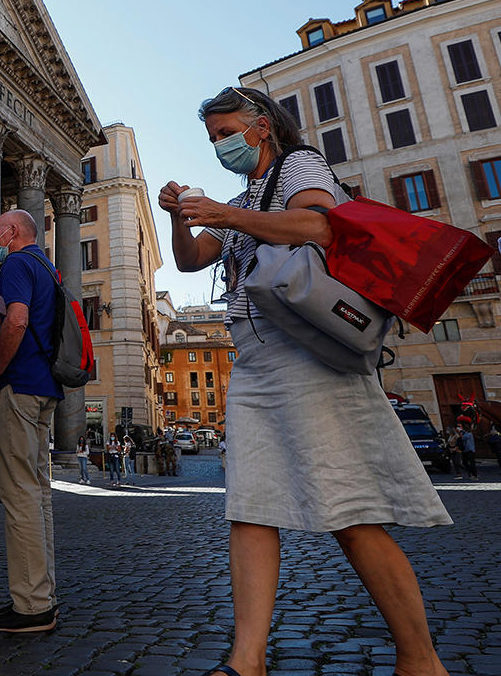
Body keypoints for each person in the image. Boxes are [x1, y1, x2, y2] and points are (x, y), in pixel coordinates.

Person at [160, 85, 452, 676]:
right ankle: (247, 661)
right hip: (256, 360)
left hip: (308, 354)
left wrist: (225, 212)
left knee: (350, 511)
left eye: (226, 132)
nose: (220, 145)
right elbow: (191, 262)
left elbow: (319, 224)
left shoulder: (301, 165)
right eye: (212, 138)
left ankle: (420, 660)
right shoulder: (247, 198)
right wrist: (181, 218)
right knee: (249, 503)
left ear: (262, 126)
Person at [0, 209, 63, 635]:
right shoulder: (48, 267)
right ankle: (41, 595)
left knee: (20, 497)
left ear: (12, 233)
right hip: (45, 388)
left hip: (18, 386)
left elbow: (16, 319)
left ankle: (31, 606)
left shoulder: (15, 263)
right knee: (39, 494)